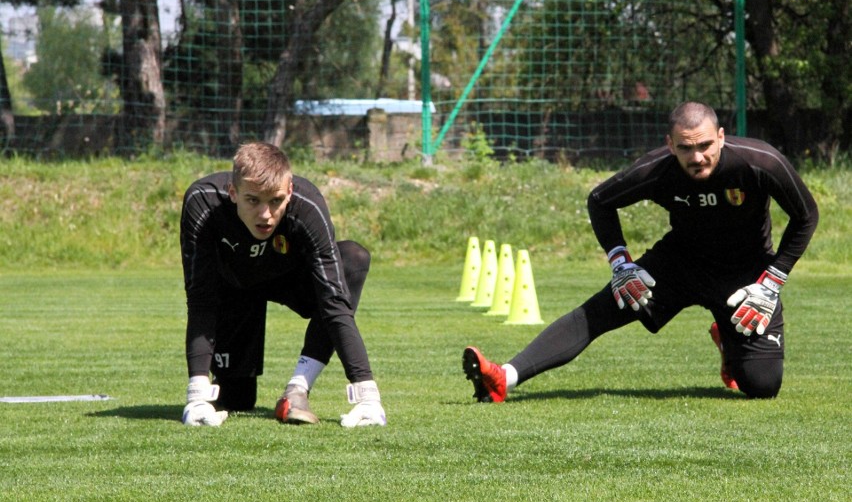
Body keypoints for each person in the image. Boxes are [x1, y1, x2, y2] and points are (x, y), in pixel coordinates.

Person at [463, 101, 818, 401]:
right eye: (685, 148)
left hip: (745, 276)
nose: (697, 157)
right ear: (669, 144)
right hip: (679, 265)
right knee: (600, 311)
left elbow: (806, 215)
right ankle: (503, 377)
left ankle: (728, 338)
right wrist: (621, 264)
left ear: (721, 136)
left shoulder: (761, 162)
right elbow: (599, 201)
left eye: (706, 145)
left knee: (763, 386)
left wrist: (772, 281)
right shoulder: (656, 169)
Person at [179, 141, 386, 427]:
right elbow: (201, 299)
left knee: (353, 258)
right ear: (233, 193)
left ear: (289, 192)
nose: (265, 214)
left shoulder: (308, 205)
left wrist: (368, 398)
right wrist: (197, 397)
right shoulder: (202, 202)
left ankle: (297, 390)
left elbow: (334, 302)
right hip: (235, 287)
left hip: (288, 279)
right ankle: (217, 389)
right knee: (238, 399)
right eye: (253, 200)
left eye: (275, 201)